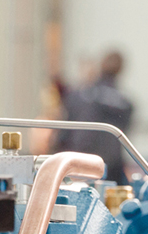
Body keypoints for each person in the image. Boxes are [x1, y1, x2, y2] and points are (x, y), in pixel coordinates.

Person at [53, 49, 136, 184]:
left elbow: (64, 133)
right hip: (111, 169)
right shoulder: (126, 104)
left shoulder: (78, 96)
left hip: (78, 165)